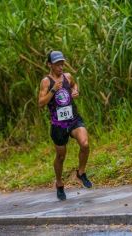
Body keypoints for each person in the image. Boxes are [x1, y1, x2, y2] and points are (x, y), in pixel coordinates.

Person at [38, 50, 92, 200]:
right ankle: (60, 183)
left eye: (62, 64)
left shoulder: (67, 76)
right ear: (50, 64)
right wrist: (54, 90)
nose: (60, 67)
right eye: (57, 64)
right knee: (61, 157)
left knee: (85, 144)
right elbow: (41, 103)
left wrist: (75, 91)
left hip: (74, 119)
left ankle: (81, 173)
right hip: (58, 125)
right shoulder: (46, 81)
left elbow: (75, 85)